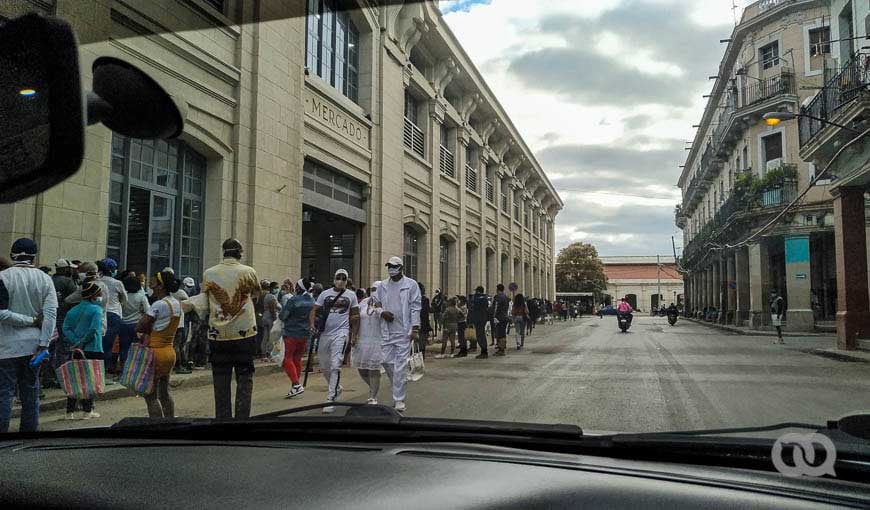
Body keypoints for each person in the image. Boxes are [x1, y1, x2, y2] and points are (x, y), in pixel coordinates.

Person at [182, 238, 260, 419]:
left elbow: (204, 299)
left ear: (223, 252)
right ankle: (242, 420)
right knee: (244, 376)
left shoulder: (209, 273)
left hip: (218, 335)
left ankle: (223, 419)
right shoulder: (249, 271)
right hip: (245, 333)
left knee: (221, 377)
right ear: (239, 252)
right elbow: (256, 293)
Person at [0, 238, 56, 433]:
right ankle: (29, 436)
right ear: (34, 256)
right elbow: (49, 315)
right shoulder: (45, 279)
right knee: (31, 393)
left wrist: (28, 320)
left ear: (12, 254)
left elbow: (1, 313)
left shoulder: (3, 277)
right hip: (34, 346)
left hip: (6, 347)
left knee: (4, 394)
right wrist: (44, 344)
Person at [374, 256, 421, 412]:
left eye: (394, 266)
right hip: (387, 330)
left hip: (403, 331)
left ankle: (399, 399)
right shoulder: (382, 285)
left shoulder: (411, 285)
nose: (391, 269)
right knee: (387, 362)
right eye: (389, 266)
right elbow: (376, 304)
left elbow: (415, 307)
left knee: (400, 366)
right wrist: (382, 312)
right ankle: (398, 382)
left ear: (401, 268)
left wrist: (414, 328)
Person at [309, 268, 359, 413]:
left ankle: (330, 398)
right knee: (324, 366)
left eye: (344, 278)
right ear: (334, 278)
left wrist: (354, 335)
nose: (340, 280)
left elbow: (356, 316)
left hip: (341, 333)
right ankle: (336, 387)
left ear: (347, 280)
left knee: (335, 364)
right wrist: (312, 325)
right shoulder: (324, 294)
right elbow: (314, 310)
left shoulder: (351, 295)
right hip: (325, 334)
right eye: (339, 277)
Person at [136, 270, 182, 418]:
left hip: (155, 353)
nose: (151, 286)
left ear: (161, 286)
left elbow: (140, 326)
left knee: (150, 396)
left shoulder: (158, 305)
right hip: (169, 352)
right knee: (165, 393)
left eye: (153, 283)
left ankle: (157, 426)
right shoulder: (176, 304)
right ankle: (170, 424)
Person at [61, 281, 103, 420]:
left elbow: (66, 328)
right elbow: (93, 329)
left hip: (76, 349)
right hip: (92, 348)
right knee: (89, 380)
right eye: (98, 294)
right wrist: (82, 342)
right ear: (93, 296)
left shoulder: (73, 310)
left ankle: (69, 412)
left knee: (75, 378)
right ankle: (87, 411)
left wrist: (75, 342)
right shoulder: (96, 310)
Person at [279, 278, 315, 398]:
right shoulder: (311, 300)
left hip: (291, 332)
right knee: (297, 359)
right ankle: (296, 385)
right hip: (304, 334)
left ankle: (296, 384)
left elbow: (283, 316)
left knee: (287, 358)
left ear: (299, 288)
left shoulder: (293, 300)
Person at [352, 284, 385, 404]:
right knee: (362, 369)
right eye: (372, 289)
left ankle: (373, 396)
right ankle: (372, 388)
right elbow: (357, 320)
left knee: (373, 370)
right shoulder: (363, 303)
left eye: (377, 289)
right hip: (363, 340)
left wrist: (380, 309)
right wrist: (354, 336)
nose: (374, 291)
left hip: (377, 340)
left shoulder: (385, 303)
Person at [49, 259, 78, 387]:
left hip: (50, 317)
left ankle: (48, 377)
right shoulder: (67, 281)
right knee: (64, 349)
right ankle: (61, 378)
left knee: (49, 348)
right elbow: (75, 299)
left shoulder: (49, 280)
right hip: (64, 318)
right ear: (65, 269)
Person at [96, 258, 127, 378]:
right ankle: (103, 374)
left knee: (98, 344)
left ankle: (96, 372)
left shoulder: (97, 281)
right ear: (112, 270)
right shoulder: (117, 283)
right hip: (114, 315)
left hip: (99, 313)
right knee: (108, 345)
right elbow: (125, 299)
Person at [118, 275, 149, 375]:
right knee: (137, 349)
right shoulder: (141, 296)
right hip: (137, 325)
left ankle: (123, 370)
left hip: (123, 325)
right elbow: (148, 310)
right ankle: (135, 371)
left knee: (124, 348)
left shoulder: (123, 296)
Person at [260, 281, 281, 361]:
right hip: (270, 318)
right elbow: (273, 309)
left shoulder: (267, 296)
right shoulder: (272, 297)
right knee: (272, 337)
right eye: (276, 287)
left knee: (265, 336)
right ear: (271, 288)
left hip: (265, 317)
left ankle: (264, 354)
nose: (277, 289)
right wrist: (275, 319)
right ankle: (270, 354)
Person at [469, 286, 489, 359]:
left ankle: (484, 352)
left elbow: (473, 304)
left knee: (480, 335)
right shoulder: (485, 298)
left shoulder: (477, 298)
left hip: (479, 319)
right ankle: (484, 351)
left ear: (478, 291)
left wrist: (474, 296)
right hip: (483, 318)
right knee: (481, 335)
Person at [490, 284, 511, 356]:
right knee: (503, 333)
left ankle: (501, 350)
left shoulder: (498, 297)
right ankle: (502, 347)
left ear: (497, 289)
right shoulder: (505, 297)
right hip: (505, 317)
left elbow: (496, 307)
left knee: (499, 334)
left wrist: (494, 316)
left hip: (499, 318)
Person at [253, 279, 269, 358]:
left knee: (259, 335)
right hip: (263, 316)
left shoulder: (259, 294)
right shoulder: (266, 294)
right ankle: (261, 351)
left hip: (258, 316)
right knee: (263, 335)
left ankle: (258, 351)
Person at [418, 283, 432, 358]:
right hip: (420, 323)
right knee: (421, 342)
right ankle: (421, 356)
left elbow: (425, 313)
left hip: (422, 324)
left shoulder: (425, 300)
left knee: (421, 342)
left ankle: (421, 357)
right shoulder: (424, 300)